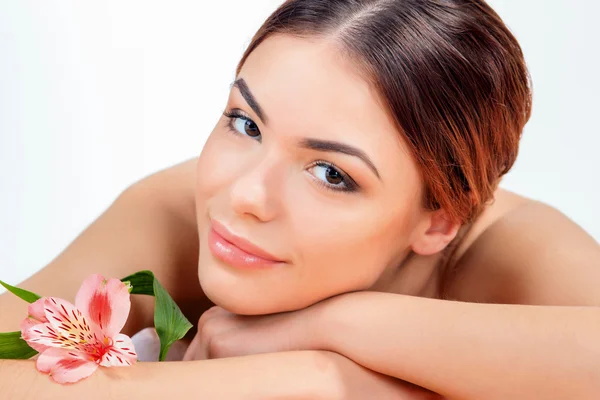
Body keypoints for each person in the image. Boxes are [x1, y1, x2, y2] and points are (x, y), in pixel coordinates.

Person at [1, 0, 599, 398]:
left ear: (441, 219)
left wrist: (339, 330)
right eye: (246, 125)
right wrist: (320, 378)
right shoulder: (183, 211)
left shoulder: (513, 251)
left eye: (330, 174)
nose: (246, 195)